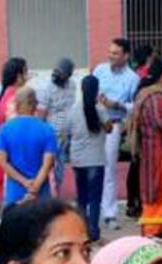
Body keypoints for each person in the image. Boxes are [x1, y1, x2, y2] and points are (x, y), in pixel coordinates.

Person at [129, 59, 162, 239]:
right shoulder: (156, 96)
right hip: (156, 149)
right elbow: (159, 121)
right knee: (156, 189)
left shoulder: (147, 94)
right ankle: (152, 229)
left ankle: (158, 228)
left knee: (158, 188)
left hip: (152, 148)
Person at [94, 38, 139, 229]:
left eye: (115, 53)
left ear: (125, 56)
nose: (110, 56)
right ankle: (91, 210)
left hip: (113, 124)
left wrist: (116, 104)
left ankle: (110, 214)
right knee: (90, 167)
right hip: (93, 124)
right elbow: (89, 91)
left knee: (109, 168)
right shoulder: (99, 70)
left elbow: (135, 106)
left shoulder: (132, 78)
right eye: (110, 52)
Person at [0, 90, 59, 208]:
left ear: (17, 105)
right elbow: (48, 164)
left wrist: (24, 182)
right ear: (35, 105)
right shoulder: (47, 129)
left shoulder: (5, 129)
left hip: (15, 192)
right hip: (41, 193)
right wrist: (34, 189)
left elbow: (2, 161)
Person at [69, 75, 109, 242]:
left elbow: (68, 130)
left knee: (82, 197)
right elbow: (109, 128)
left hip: (78, 158)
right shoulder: (100, 109)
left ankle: (81, 230)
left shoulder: (73, 109)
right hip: (96, 158)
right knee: (95, 198)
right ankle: (93, 230)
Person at [33, 59, 78, 198]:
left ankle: (56, 194)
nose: (57, 76)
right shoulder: (47, 87)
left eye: (61, 74)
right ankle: (48, 196)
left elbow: (71, 107)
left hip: (67, 133)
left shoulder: (72, 85)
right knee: (49, 166)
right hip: (51, 134)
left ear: (69, 75)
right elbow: (42, 113)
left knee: (60, 168)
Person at [0, 57, 31, 208]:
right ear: (18, 76)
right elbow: (17, 131)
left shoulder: (5, 94)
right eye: (25, 72)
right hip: (14, 157)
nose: (27, 76)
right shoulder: (14, 98)